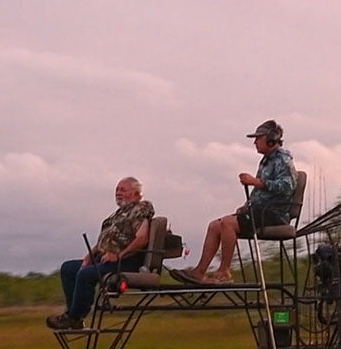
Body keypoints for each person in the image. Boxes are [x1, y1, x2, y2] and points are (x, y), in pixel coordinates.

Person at [173, 119, 296, 284]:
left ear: (271, 139)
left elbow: (288, 186)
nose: (255, 142)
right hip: (259, 211)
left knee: (227, 223)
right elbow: (261, 191)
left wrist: (256, 182)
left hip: (273, 214)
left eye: (258, 138)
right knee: (214, 225)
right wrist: (247, 206)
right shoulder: (266, 160)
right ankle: (199, 272)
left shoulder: (283, 159)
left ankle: (224, 271)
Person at [46, 177, 154, 330]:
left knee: (86, 274)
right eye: (117, 189)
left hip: (125, 261)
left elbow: (142, 239)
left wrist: (118, 256)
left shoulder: (141, 209)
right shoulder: (118, 215)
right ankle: (73, 317)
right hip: (104, 259)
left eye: (123, 190)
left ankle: (75, 316)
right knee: (69, 268)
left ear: (136, 194)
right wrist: (90, 255)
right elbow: (107, 239)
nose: (118, 193)